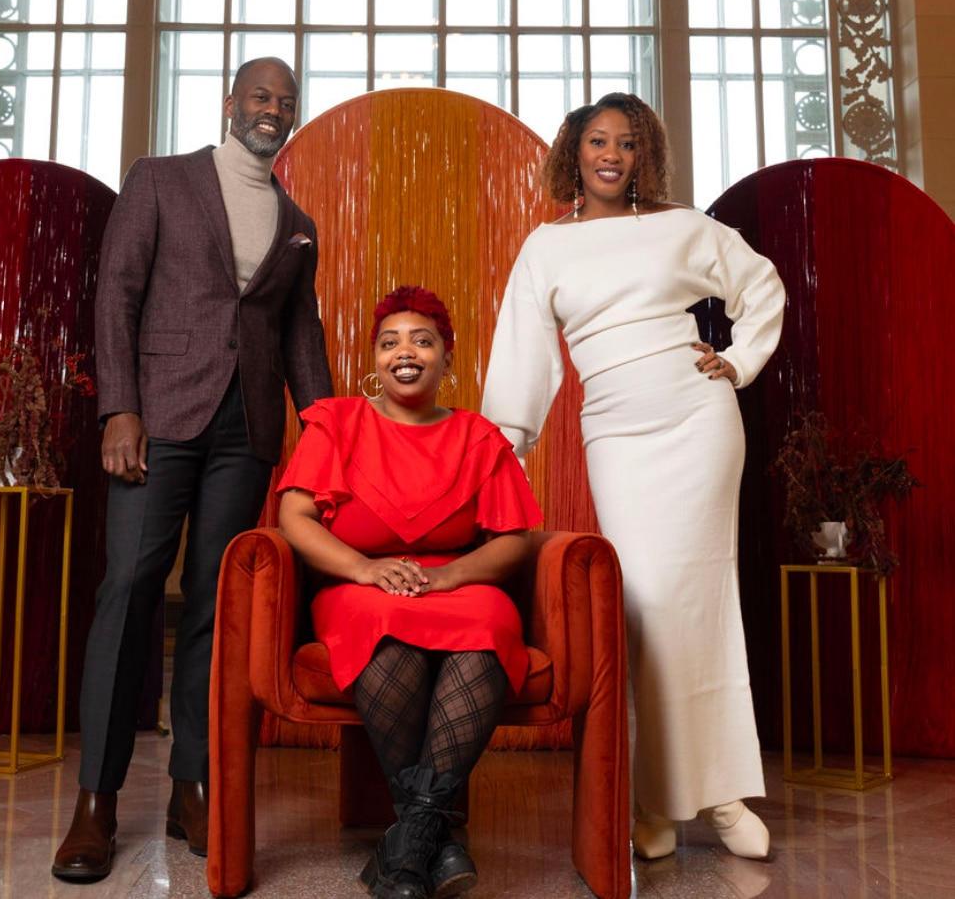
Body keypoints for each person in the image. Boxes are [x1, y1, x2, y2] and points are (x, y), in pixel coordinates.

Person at [481, 93, 785, 864]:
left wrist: (738, 361)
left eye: (625, 142)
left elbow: (761, 285)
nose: (610, 154)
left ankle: (714, 798)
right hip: (615, 434)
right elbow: (523, 363)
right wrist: (498, 456)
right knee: (644, 610)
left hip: (698, 422)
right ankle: (655, 799)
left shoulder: (681, 227)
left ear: (642, 153)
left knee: (702, 603)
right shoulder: (545, 248)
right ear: (574, 154)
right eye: (595, 141)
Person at [52, 57, 335, 882]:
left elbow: (298, 338)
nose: (272, 110)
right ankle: (95, 803)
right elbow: (118, 293)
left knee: (215, 609)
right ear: (229, 103)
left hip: (244, 433)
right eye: (259, 96)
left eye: (284, 102)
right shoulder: (162, 179)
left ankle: (192, 787)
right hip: (158, 419)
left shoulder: (297, 221)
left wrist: (322, 436)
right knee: (129, 589)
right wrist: (119, 408)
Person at [277, 285, 542, 899]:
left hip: (455, 583)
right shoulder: (338, 422)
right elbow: (294, 517)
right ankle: (436, 841)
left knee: (489, 627)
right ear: (374, 358)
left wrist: (451, 575)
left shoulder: (479, 436)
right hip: (359, 582)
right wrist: (365, 570)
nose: (406, 351)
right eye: (390, 341)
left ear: (447, 359)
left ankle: (408, 847)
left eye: (423, 341)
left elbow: (514, 540)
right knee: (383, 637)